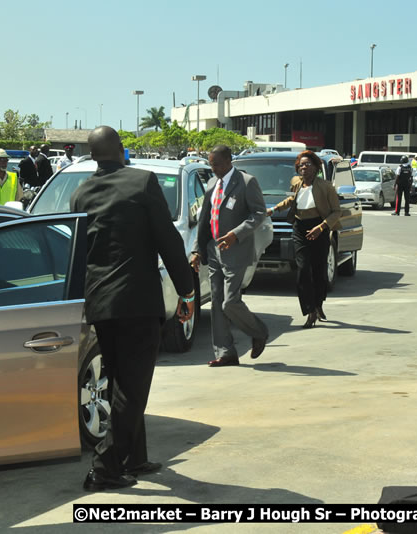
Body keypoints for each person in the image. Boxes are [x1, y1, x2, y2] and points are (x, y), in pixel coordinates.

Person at [71, 126, 195, 492]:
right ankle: (104, 467)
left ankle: (134, 457)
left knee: (120, 382)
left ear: (93, 155)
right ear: (122, 150)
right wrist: (187, 290)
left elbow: (79, 254)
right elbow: (167, 240)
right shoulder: (143, 182)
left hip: (101, 305)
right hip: (137, 303)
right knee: (133, 388)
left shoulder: (80, 194)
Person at [190, 144, 269, 367]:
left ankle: (259, 332)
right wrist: (198, 250)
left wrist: (236, 234)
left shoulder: (246, 182)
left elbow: (259, 213)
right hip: (213, 250)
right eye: (210, 164)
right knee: (216, 302)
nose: (212, 168)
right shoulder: (212, 184)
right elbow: (205, 220)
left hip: (236, 250)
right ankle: (226, 352)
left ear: (228, 161)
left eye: (216, 164)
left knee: (230, 302)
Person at [266, 150, 341, 328]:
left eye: (307, 165)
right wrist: (274, 209)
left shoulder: (326, 186)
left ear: (316, 167)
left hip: (320, 227)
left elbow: (337, 212)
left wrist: (321, 227)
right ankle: (310, 311)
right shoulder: (296, 183)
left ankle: (318, 303)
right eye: (301, 165)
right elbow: (291, 200)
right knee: (303, 269)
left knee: (319, 271)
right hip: (300, 228)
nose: (303, 168)